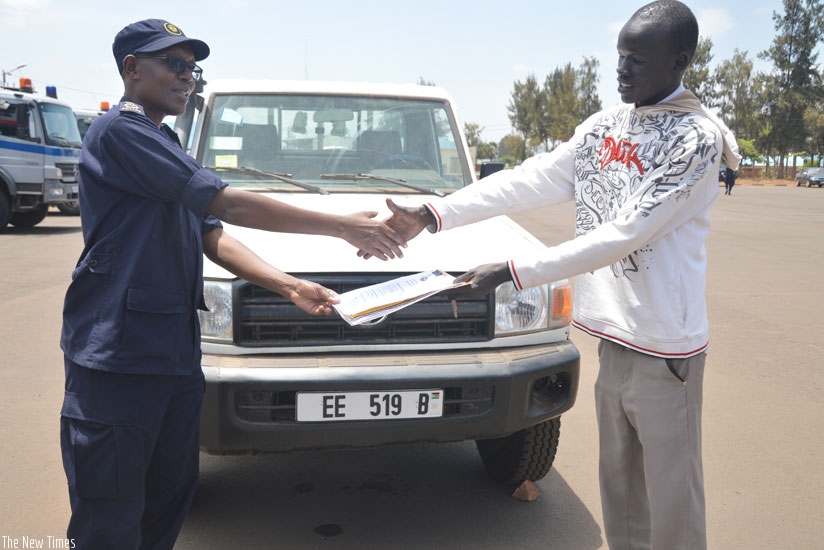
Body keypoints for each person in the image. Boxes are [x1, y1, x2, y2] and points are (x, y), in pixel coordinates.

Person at [375, 2, 739, 548]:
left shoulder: (697, 142)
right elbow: (531, 179)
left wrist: (515, 270)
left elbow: (622, 235)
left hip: (667, 354)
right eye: (619, 56)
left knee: (673, 506)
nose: (621, 70)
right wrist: (434, 215)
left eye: (636, 60)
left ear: (678, 62)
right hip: (612, 342)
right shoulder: (605, 127)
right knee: (620, 495)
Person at [59, 19, 406, 549]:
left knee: (165, 502)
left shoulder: (163, 140)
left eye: (192, 68)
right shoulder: (120, 133)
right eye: (173, 65)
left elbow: (211, 233)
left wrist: (288, 285)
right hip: (118, 362)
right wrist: (339, 225)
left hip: (172, 356)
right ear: (132, 69)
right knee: (110, 516)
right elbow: (227, 202)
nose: (186, 78)